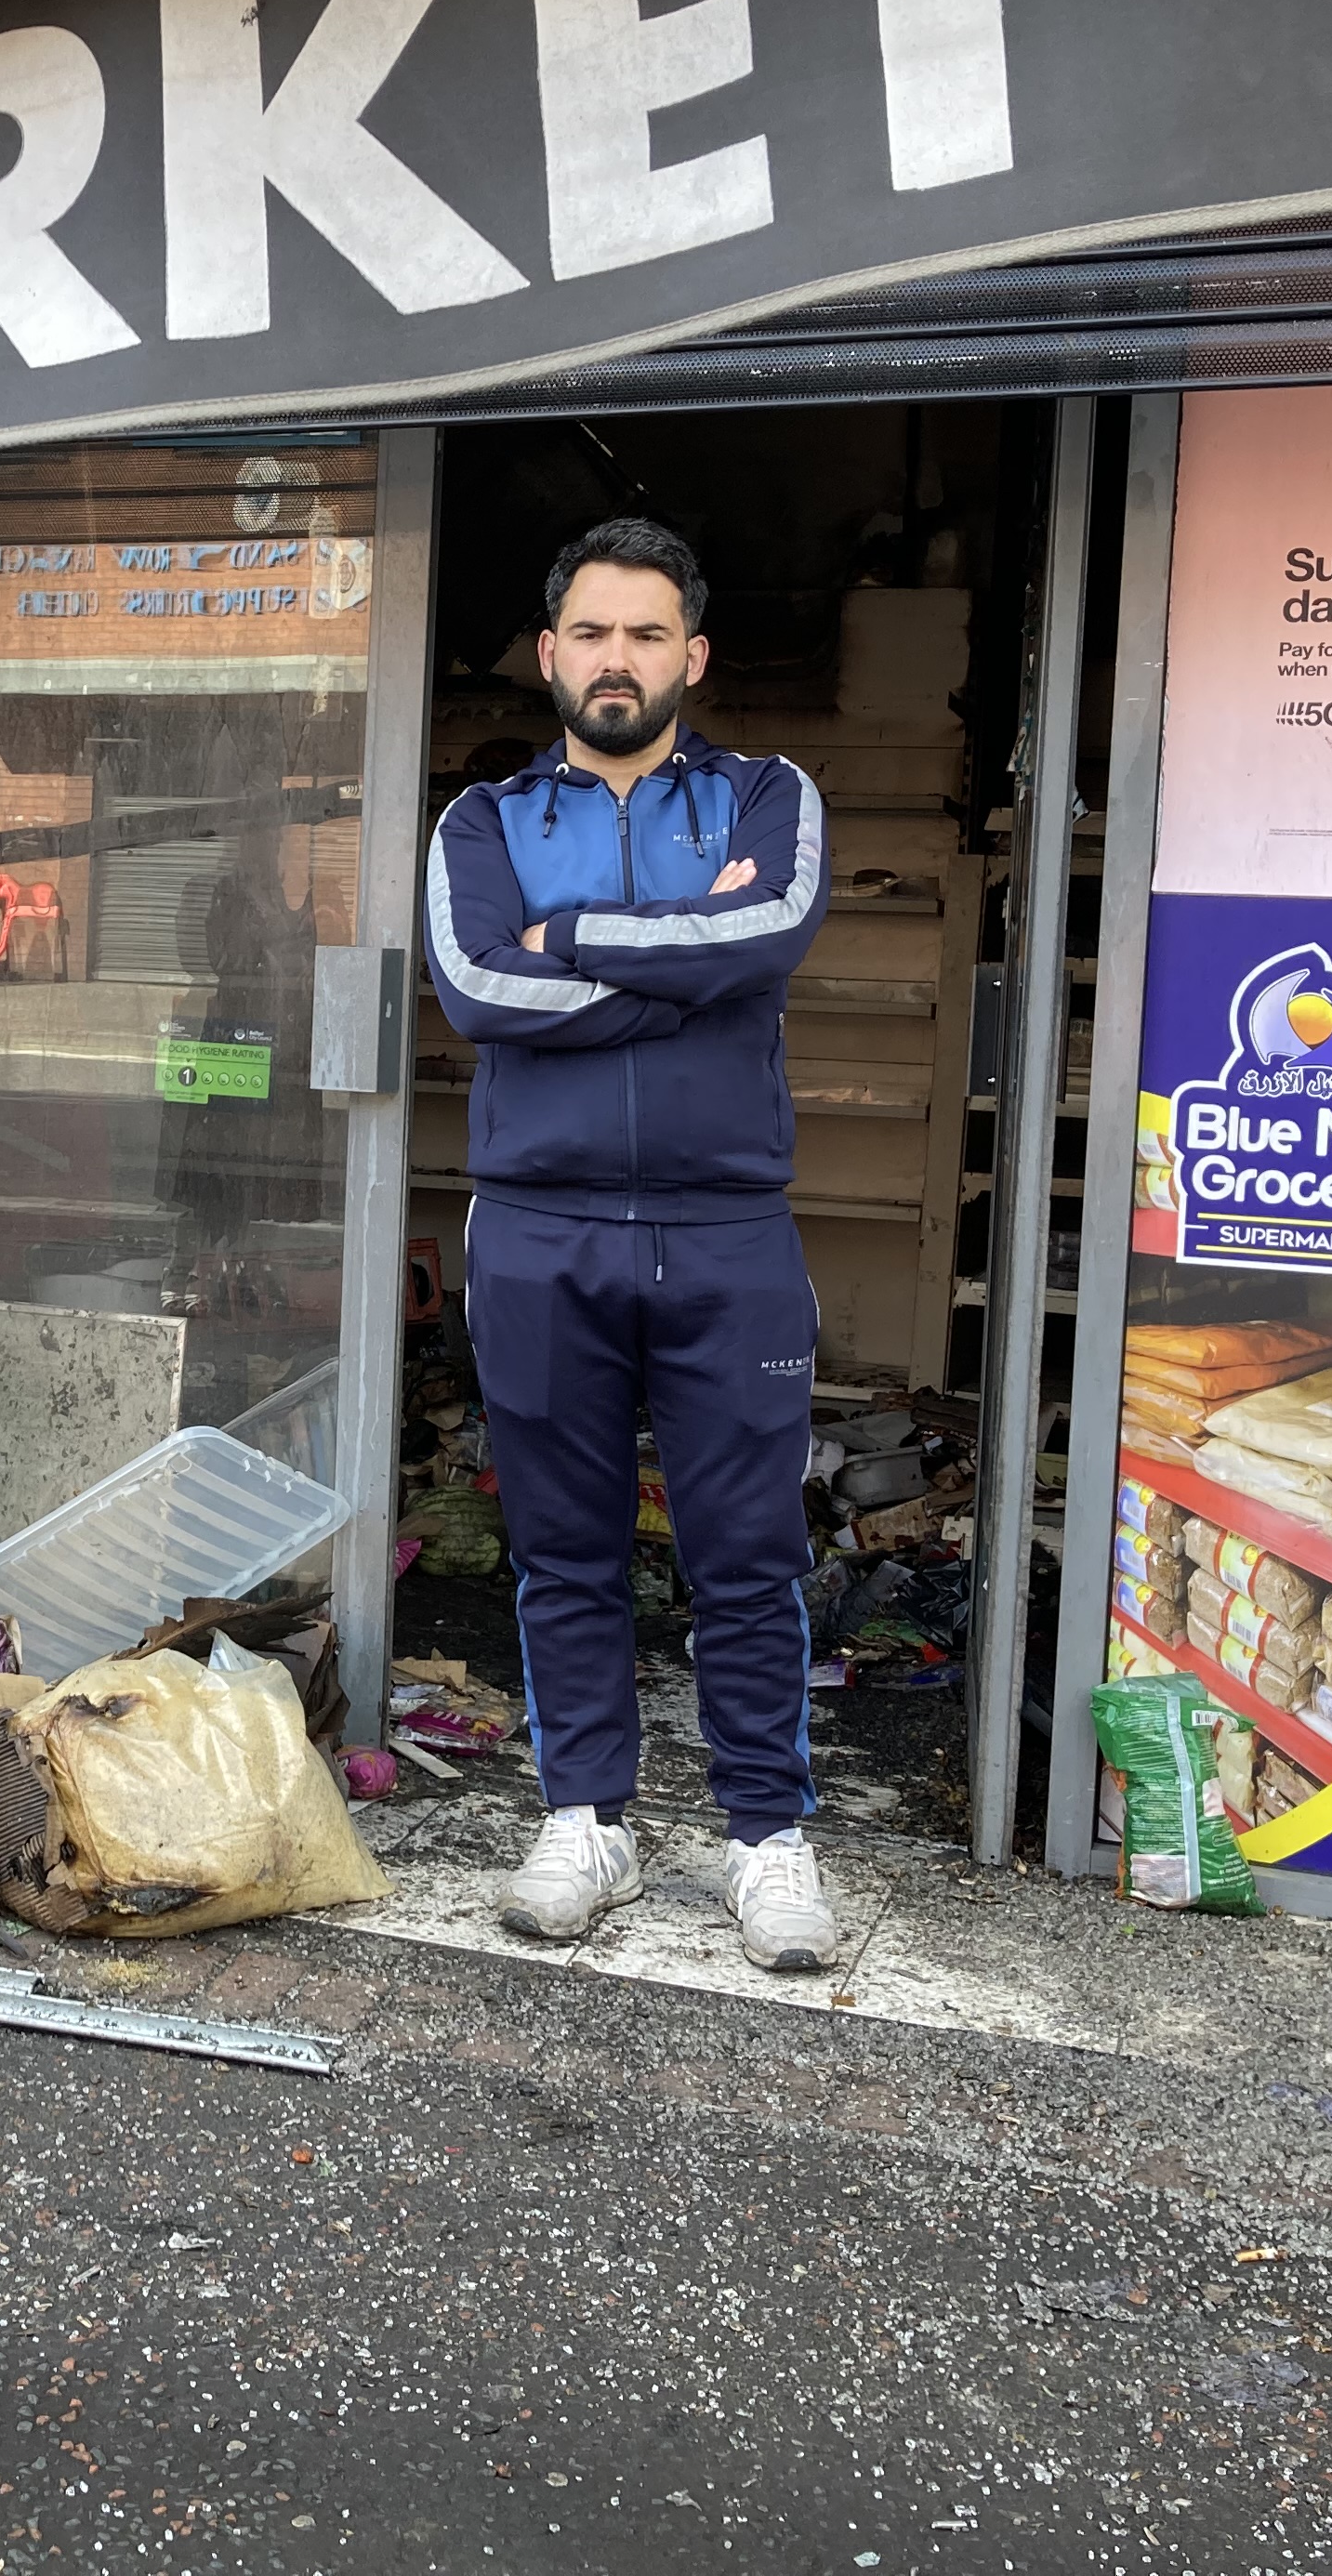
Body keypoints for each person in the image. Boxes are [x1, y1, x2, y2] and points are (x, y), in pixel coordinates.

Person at [423, 516, 837, 1965]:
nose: (618, 659)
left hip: (728, 1233)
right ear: (551, 654)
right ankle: (584, 1820)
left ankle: (767, 1842)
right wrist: (680, 957)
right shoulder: (479, 826)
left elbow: (767, 938)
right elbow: (478, 985)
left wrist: (574, 939)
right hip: (540, 1230)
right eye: (592, 633)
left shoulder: (769, 798)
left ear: (692, 656)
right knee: (565, 1550)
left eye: (647, 634)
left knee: (746, 1551)